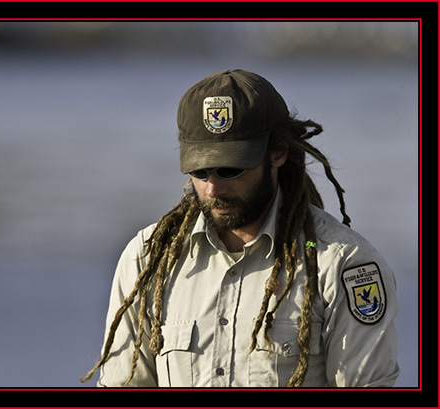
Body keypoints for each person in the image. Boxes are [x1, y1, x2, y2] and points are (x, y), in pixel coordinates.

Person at [81, 69, 399, 388]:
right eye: (200, 170)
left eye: (230, 169)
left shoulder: (344, 264)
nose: (212, 188)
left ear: (277, 153)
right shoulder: (147, 258)